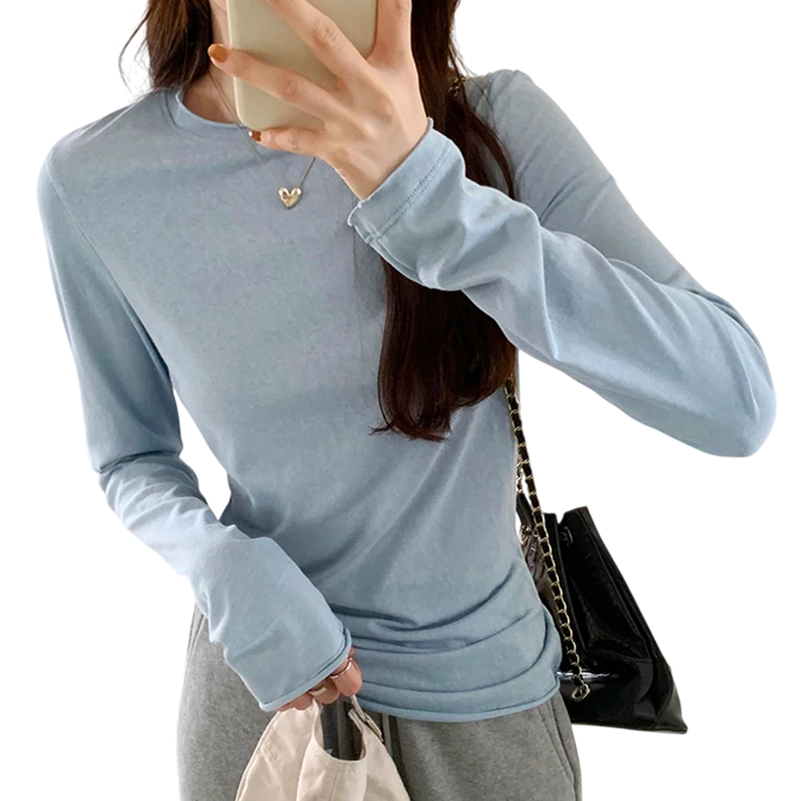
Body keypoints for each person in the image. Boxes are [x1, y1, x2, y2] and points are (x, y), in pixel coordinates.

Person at [35, 0, 776, 799]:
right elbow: (131, 457)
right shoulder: (95, 180)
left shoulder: (490, 126)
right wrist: (223, 566)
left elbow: (734, 399)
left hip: (486, 717)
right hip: (263, 697)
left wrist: (431, 197)